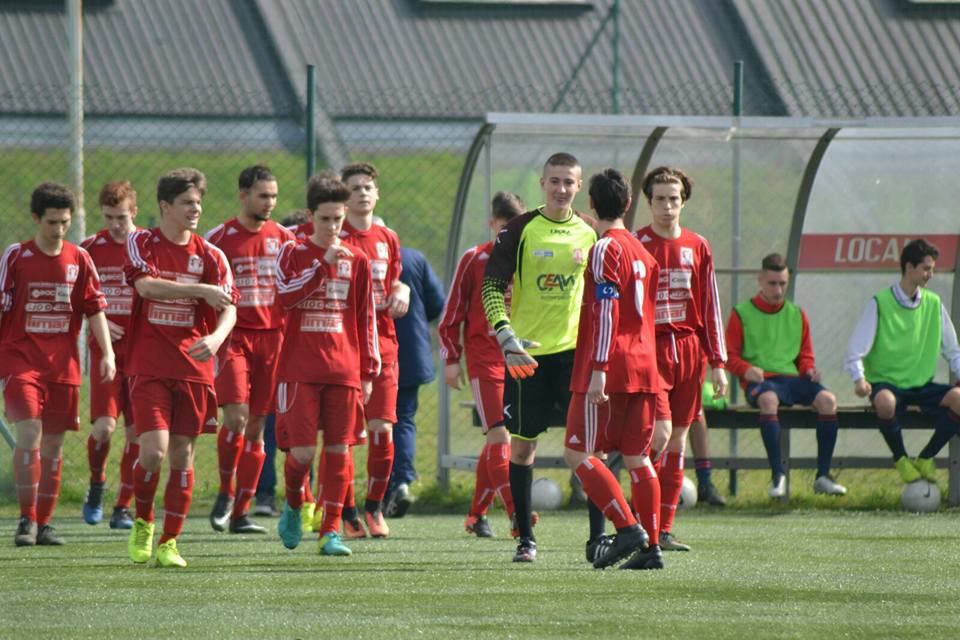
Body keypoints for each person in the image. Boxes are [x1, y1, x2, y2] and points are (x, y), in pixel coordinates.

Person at [482, 152, 597, 562]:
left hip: (573, 358)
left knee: (587, 450)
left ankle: (597, 538)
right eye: (554, 181)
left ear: (578, 187)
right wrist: (505, 335)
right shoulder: (520, 228)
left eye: (569, 182)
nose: (561, 189)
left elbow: (604, 296)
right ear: (542, 183)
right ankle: (525, 540)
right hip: (527, 358)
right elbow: (492, 286)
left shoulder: (590, 234)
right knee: (523, 448)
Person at [124, 168, 238, 568]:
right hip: (150, 363)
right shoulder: (143, 241)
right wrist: (199, 290)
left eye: (199, 202)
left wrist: (218, 338)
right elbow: (146, 286)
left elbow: (229, 308)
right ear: (165, 206)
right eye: (187, 202)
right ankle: (143, 520)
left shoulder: (212, 255)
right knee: (152, 451)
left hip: (194, 369)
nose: (196, 209)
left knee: (182, 458)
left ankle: (170, 543)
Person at [273, 173, 379, 557]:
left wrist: (368, 370)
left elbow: (365, 317)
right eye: (325, 219)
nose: (333, 227)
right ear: (310, 217)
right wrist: (322, 266)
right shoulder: (293, 251)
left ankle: (330, 531)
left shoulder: (359, 260)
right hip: (299, 370)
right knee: (301, 453)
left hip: (344, 369)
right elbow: (285, 297)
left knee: (339, 452)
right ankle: (293, 504)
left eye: (338, 219)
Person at [4, 182, 116, 547]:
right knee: (29, 434)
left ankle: (45, 522)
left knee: (53, 446)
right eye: (52, 222)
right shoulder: (16, 257)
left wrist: (108, 354)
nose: (59, 229)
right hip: (20, 362)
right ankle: (25, 520)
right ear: (37, 219)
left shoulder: (79, 259)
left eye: (65, 222)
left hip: (63, 366)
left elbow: (95, 308)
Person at [564, 168, 663, 570]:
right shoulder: (644, 252)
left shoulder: (605, 249)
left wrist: (599, 368)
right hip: (643, 366)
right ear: (628, 205)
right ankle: (652, 548)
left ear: (590, 204)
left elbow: (606, 312)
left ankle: (626, 528)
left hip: (611, 366)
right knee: (638, 458)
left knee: (577, 452)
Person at [635, 166, 727, 552]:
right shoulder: (636, 242)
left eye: (674, 199)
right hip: (650, 349)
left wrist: (718, 362)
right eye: (660, 199)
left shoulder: (698, 245)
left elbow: (710, 305)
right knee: (656, 434)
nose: (668, 206)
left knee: (679, 439)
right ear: (649, 201)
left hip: (689, 351)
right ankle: (641, 523)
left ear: (683, 201)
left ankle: (663, 529)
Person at [205, 165, 295, 534]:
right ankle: (226, 492)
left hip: (273, 339)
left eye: (274, 196)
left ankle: (242, 509)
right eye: (262, 195)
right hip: (235, 337)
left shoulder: (286, 239)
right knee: (236, 418)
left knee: (258, 427)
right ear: (243, 195)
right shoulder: (218, 238)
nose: (270, 202)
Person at [439, 192, 524, 538]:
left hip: (522, 360)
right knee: (500, 435)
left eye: (517, 229)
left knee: (500, 441)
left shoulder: (531, 259)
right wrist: (451, 359)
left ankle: (476, 514)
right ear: (493, 225)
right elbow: (452, 313)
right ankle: (518, 516)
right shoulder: (475, 259)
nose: (512, 236)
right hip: (485, 359)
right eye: (506, 228)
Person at [726, 253, 846, 498]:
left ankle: (823, 476)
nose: (778, 290)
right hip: (762, 383)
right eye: (772, 283)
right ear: (760, 280)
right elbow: (728, 355)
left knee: (828, 401)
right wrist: (745, 369)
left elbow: (805, 356)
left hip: (792, 381)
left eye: (783, 284)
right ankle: (778, 476)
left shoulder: (796, 314)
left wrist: (809, 370)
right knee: (769, 401)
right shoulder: (741, 313)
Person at [844, 239, 960, 483]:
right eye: (926, 268)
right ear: (909, 267)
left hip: (921, 386)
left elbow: (953, 351)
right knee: (885, 402)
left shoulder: (934, 304)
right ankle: (901, 459)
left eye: (932, 268)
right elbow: (856, 349)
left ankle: (926, 457)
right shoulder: (880, 302)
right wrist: (859, 379)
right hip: (888, 385)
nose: (931, 274)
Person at [336, 162, 409, 539]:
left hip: (384, 344)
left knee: (382, 431)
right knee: (347, 435)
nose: (362, 193)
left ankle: (374, 506)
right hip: (346, 344)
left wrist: (401, 291)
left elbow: (394, 279)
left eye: (368, 187)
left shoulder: (387, 237)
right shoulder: (337, 239)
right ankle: (346, 514)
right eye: (354, 188)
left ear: (376, 193)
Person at [79, 181, 141, 529]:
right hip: (104, 351)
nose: (116, 224)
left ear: (133, 211)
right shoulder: (89, 248)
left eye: (121, 216)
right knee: (104, 429)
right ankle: (97, 482)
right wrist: (97, 325)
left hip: (141, 351)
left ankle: (123, 506)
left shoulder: (146, 245)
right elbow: (79, 299)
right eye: (109, 217)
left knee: (136, 434)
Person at [254, 210, 310, 519]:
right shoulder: (274, 276)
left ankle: (306, 498)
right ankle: (263, 494)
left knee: (305, 433)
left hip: (302, 359)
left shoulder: (312, 270)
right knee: (266, 424)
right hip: (271, 353)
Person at [384, 246, 446, 517]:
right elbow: (437, 303)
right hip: (409, 351)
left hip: (366, 351)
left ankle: (360, 492)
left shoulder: (349, 253)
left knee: (358, 425)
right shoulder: (413, 257)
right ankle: (401, 481)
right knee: (402, 418)